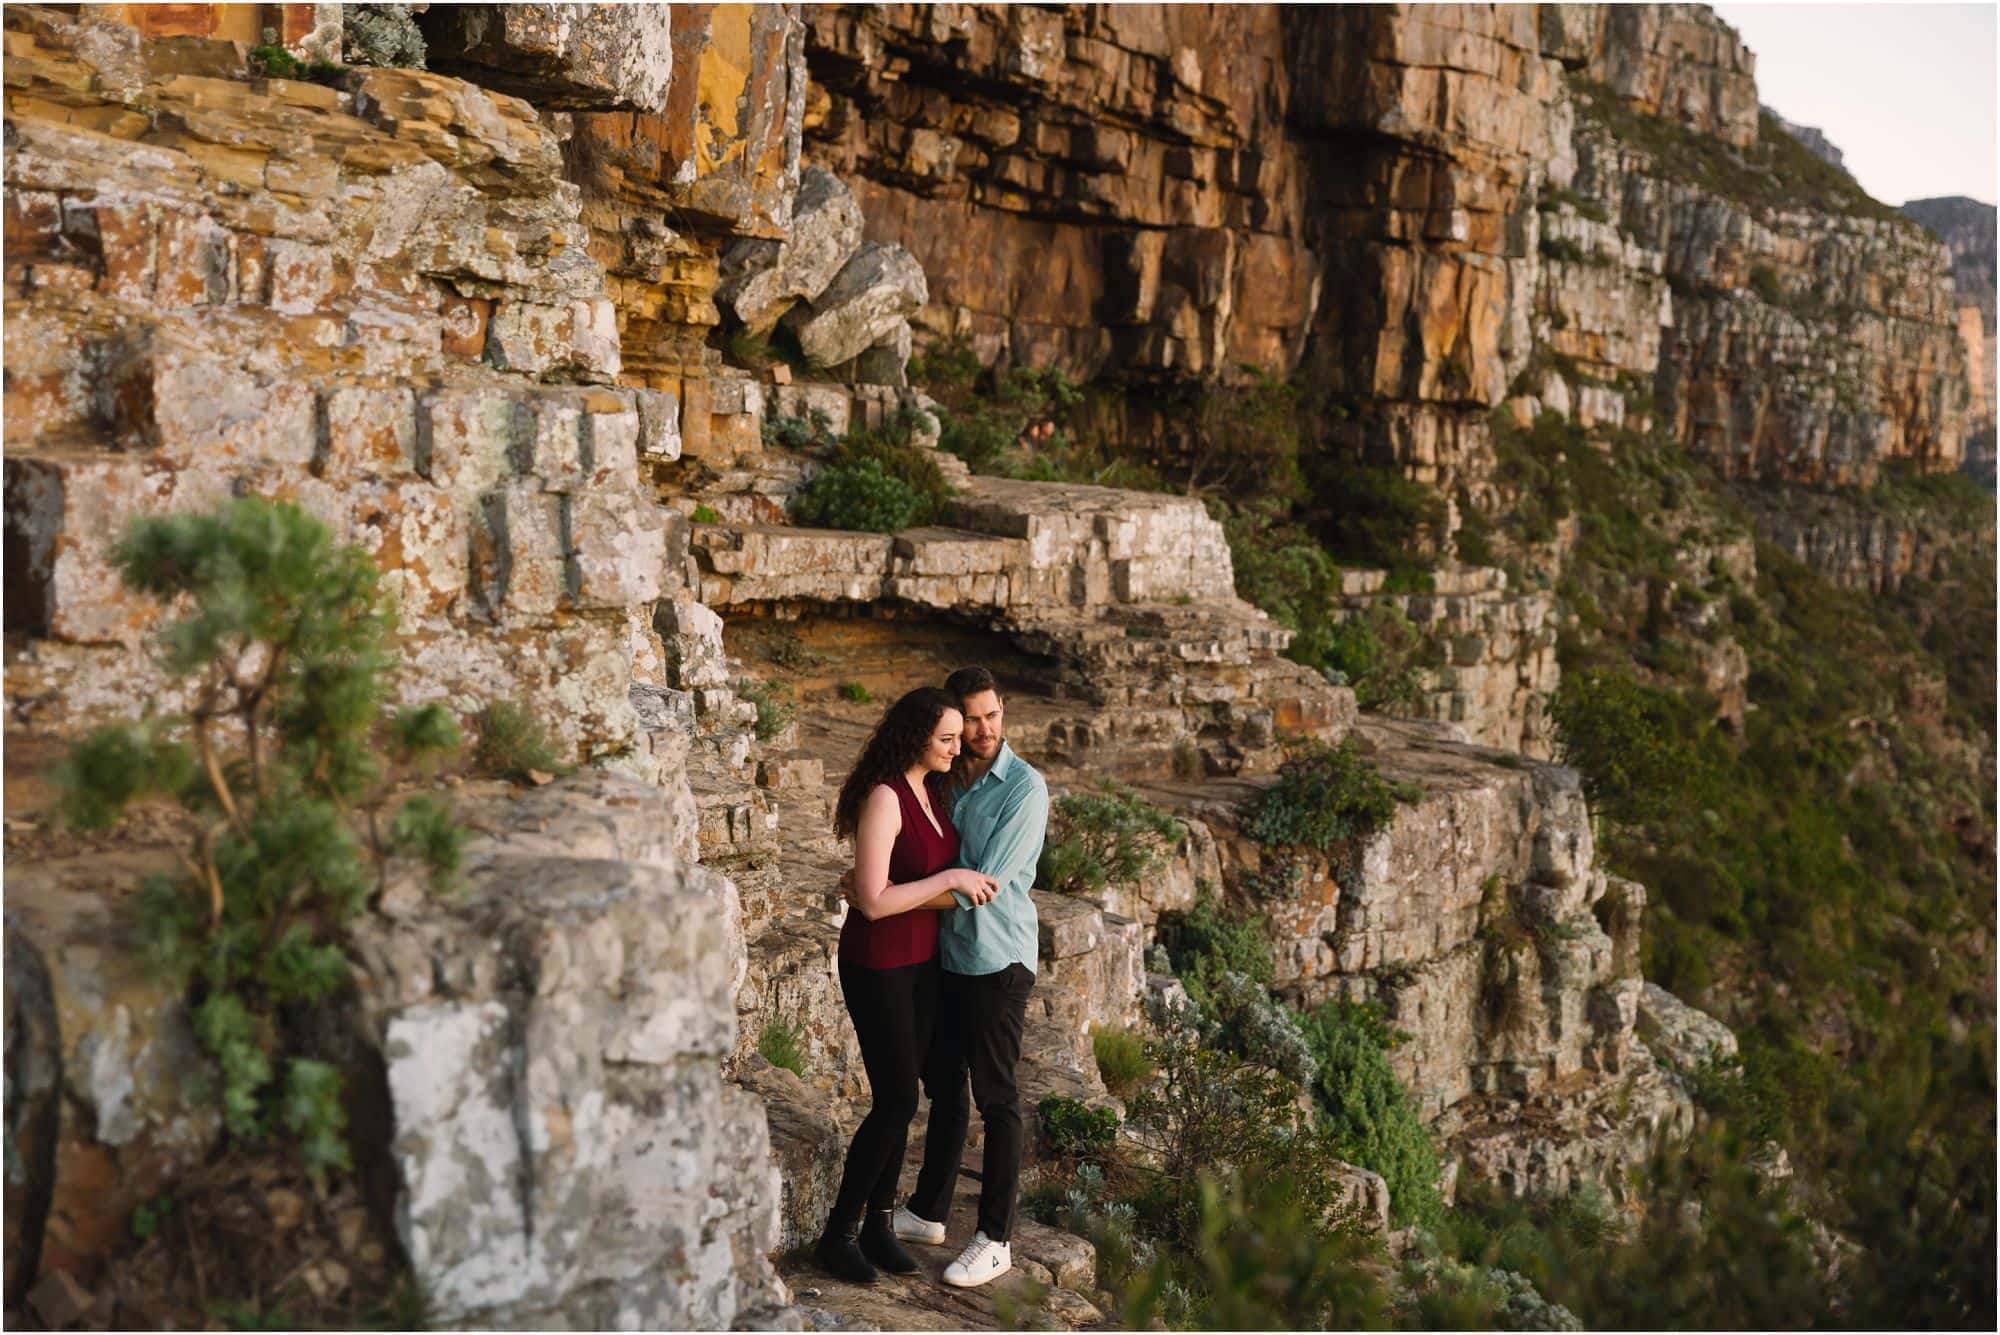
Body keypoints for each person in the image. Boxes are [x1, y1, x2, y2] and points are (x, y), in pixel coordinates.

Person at [814, 687, 999, 1285]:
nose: (956, 748)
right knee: (896, 1100)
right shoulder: (884, 796)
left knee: (905, 1098)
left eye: (958, 738)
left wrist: (947, 882)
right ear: (914, 737)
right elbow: (872, 902)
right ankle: (839, 1233)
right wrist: (950, 878)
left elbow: (905, 887)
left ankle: (879, 1226)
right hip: (879, 963)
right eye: (946, 738)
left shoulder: (932, 789)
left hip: (922, 962)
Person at [891, 666, 1049, 1289]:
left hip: (996, 960)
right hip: (949, 957)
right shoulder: (949, 777)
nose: (983, 730)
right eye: (971, 720)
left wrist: (884, 899)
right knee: (946, 1089)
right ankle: (929, 1212)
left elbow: (978, 886)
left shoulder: (1023, 788)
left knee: (997, 1097)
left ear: (1003, 710)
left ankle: (996, 1239)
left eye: (992, 716)